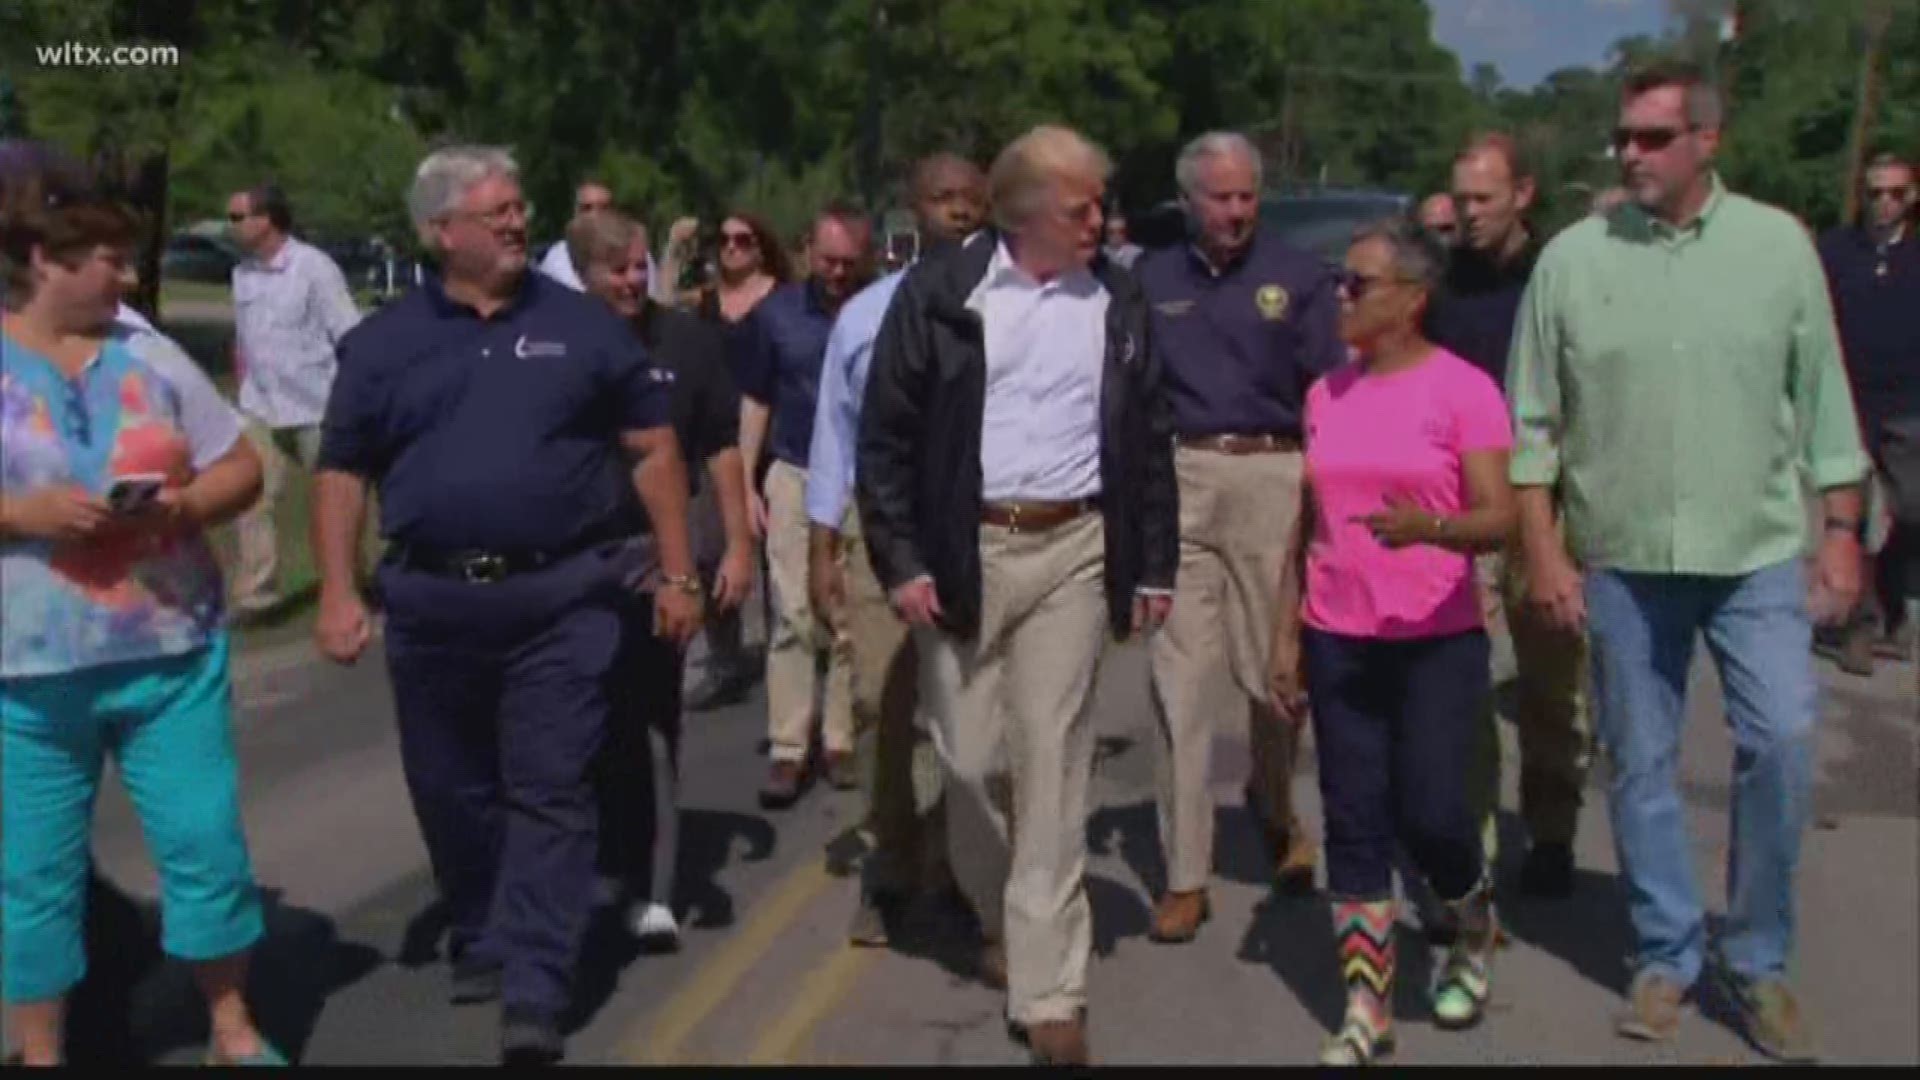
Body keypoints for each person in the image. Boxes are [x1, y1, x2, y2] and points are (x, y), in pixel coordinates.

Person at [1506, 62, 1868, 1063]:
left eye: (1653, 137)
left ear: (1708, 140)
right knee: (1643, 763)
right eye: (1623, 137)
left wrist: (1842, 526)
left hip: (1753, 552)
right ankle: (1666, 953)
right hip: (1623, 557)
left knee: (1785, 739)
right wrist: (1543, 549)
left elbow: (1824, 393)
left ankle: (1756, 962)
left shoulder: (1777, 248)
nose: (1630, 153)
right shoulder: (1574, 260)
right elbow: (1531, 420)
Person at [310, 145, 700, 1064]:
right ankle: (481, 923)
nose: (520, 224)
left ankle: (536, 979)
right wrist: (335, 587)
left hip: (563, 598)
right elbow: (341, 471)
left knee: (550, 785)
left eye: (523, 209)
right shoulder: (381, 345)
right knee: (451, 788)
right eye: (498, 214)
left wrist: (679, 574)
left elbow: (653, 452)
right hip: (433, 603)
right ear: (441, 233)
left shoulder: (587, 329)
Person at [858, 124, 1178, 1066]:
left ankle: (1049, 988)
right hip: (964, 554)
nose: (1102, 221)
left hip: (1075, 547)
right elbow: (886, 441)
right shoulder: (944, 294)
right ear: (1029, 212)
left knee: (1053, 763)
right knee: (964, 758)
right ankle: (999, 904)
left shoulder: (1116, 297)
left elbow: (1149, 436)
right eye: (1085, 208)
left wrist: (1151, 563)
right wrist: (903, 561)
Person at [1, 140, 281, 1066]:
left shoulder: (148, 354)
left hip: (169, 653)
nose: (127, 275)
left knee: (205, 847)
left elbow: (242, 462)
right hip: (27, 678)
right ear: (46, 261)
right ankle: (40, 1055)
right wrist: (24, 513)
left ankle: (233, 1028)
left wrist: (186, 507)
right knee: (32, 879)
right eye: (109, 260)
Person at [1271, 218, 1515, 1065]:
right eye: (1340, 281)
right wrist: (1284, 636)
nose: (1340, 295)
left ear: (1411, 300)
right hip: (1338, 632)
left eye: (1358, 284)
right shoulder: (1325, 395)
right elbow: (1308, 527)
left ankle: (1470, 924)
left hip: (1436, 639)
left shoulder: (1465, 391)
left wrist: (1433, 527)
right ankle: (1365, 1010)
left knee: (1436, 812)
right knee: (1354, 819)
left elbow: (1500, 518)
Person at [1134, 131, 1341, 944]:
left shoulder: (1299, 278)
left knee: (1275, 678)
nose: (1236, 211)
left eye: (1248, 195)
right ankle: (1186, 874)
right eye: (1220, 197)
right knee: (1180, 689)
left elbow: (1328, 392)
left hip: (1274, 476)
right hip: (1183, 478)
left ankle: (1279, 806)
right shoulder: (1149, 282)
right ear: (1188, 201)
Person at [805, 153, 987, 946]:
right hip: (882, 530)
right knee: (884, 704)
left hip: (977, 533)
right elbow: (834, 436)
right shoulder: (866, 316)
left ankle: (955, 869)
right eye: (942, 200)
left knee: (968, 715)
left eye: (972, 200)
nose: (959, 212)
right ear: (914, 213)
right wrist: (821, 548)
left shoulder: (1011, 310)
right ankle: (890, 869)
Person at [572, 209, 755, 950]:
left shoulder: (687, 341)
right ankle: (587, 867)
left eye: (640, 265)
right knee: (578, 721)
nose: (630, 280)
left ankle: (652, 888)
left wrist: (739, 545)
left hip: (659, 552)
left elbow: (722, 451)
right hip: (573, 556)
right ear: (583, 276)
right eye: (614, 269)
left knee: (650, 722)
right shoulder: (556, 341)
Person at [1425, 132, 1591, 898]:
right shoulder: (1440, 281)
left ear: (1523, 195)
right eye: (1459, 200)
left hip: (1544, 506)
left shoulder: (1561, 274)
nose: (1468, 214)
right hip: (1461, 504)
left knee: (1550, 686)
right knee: (1462, 684)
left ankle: (1552, 830)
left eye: (1482, 200)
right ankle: (1473, 839)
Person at [736, 203, 873, 808]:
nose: (838, 273)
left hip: (859, 478)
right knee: (792, 612)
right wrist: (744, 483)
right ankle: (789, 745)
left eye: (849, 262)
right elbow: (755, 401)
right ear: (808, 253)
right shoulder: (777, 316)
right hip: (792, 470)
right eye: (829, 261)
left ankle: (841, 737)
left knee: (846, 614)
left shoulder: (881, 310)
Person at [225, 182, 361, 618]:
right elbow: (244, 339)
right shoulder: (241, 274)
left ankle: (347, 586)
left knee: (333, 502)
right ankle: (256, 594)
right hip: (261, 407)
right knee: (251, 497)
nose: (231, 226)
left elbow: (349, 334)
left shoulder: (314, 268)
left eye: (237, 217)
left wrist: (353, 399)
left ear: (266, 220)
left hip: (316, 406)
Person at [684, 210, 792, 711]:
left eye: (743, 240)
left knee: (779, 559)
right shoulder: (701, 303)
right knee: (711, 552)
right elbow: (654, 312)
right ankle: (725, 657)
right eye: (722, 240)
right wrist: (673, 252)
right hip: (713, 446)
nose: (731, 248)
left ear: (761, 246)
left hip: (776, 445)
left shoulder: (782, 300)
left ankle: (784, 658)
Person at [1817, 152, 1919, 675]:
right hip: (1848, 402)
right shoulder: (1836, 251)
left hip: (1909, 405)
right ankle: (1859, 624)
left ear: (1912, 198)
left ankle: (1894, 603)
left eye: (1896, 193)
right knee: (1853, 517)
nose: (1884, 203)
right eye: (1875, 192)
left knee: (1908, 510)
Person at [537, 179, 665, 296]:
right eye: (587, 208)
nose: (595, 215)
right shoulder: (555, 260)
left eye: (604, 208)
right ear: (575, 212)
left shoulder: (638, 255)